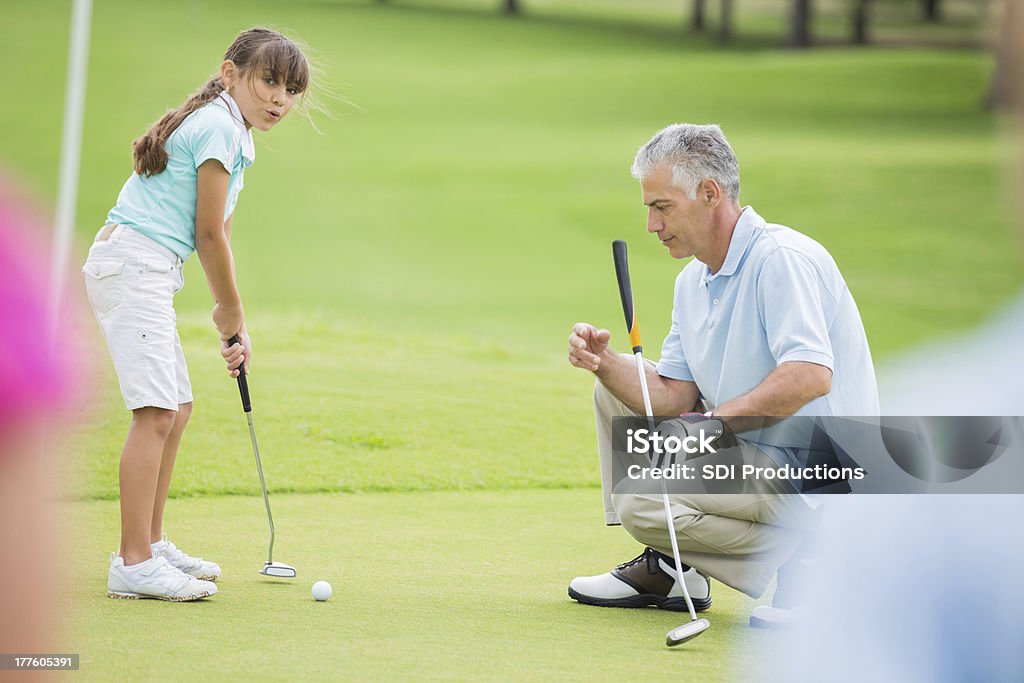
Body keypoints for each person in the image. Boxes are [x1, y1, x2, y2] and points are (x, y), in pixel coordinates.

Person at [565, 123, 879, 619]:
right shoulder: (693, 280)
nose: (651, 224)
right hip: (762, 458)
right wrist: (604, 364)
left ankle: (823, 558)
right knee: (617, 396)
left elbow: (811, 374)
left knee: (641, 501)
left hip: (825, 468)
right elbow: (669, 396)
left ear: (709, 194)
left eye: (661, 206)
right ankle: (672, 571)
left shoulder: (781, 259)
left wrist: (713, 426)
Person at [83, 27, 315, 601]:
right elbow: (206, 235)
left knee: (177, 408)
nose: (279, 98)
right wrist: (230, 308)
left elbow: (223, 228)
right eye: (268, 81)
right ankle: (132, 562)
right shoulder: (217, 125)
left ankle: (152, 543)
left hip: (144, 268)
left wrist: (231, 320)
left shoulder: (232, 130)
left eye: (290, 90)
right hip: (132, 265)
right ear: (231, 72)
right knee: (156, 412)